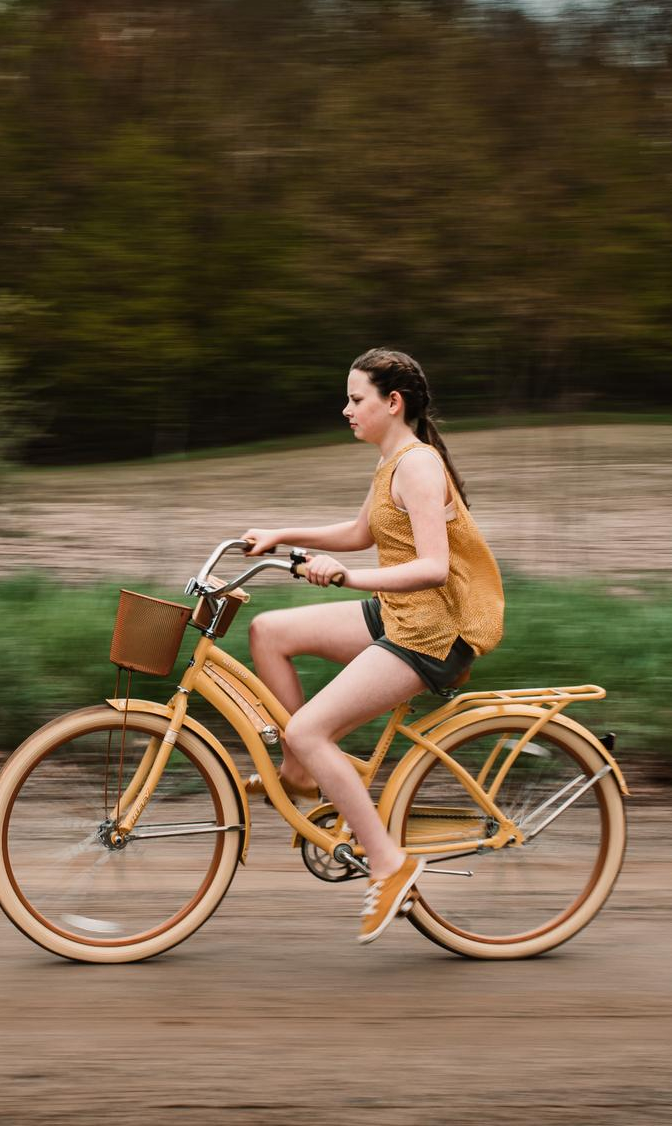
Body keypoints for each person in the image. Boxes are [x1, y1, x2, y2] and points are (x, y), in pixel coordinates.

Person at [241, 348, 505, 943]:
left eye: (356, 399)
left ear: (393, 403)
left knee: (308, 728)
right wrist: (281, 533)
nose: (346, 409)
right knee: (269, 631)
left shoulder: (418, 465)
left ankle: (389, 864)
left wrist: (345, 576)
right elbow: (361, 534)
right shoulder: (393, 461)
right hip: (397, 615)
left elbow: (434, 568)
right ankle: (301, 774)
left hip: (429, 634)